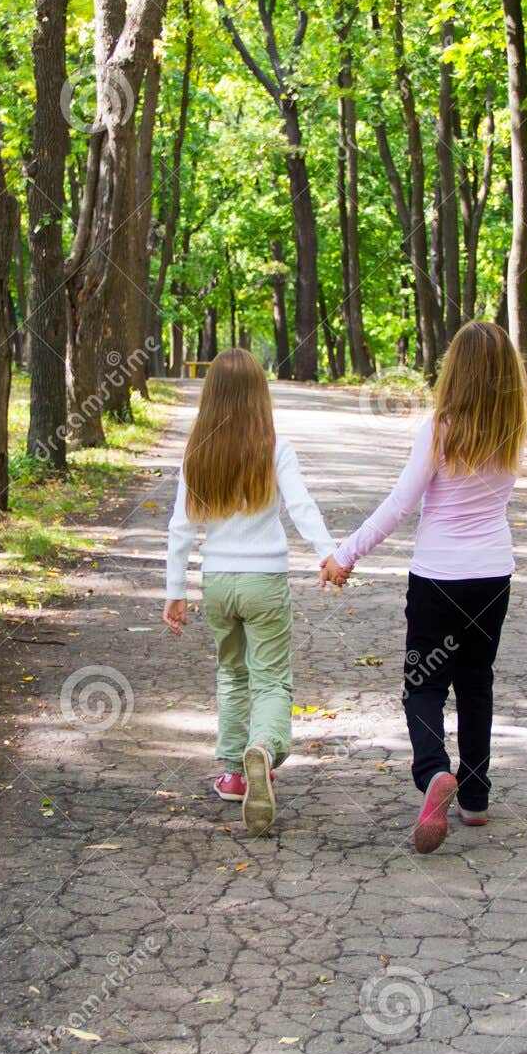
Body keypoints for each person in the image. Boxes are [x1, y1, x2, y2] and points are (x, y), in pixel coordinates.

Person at [322, 322, 527, 853]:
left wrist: (344, 555)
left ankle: (435, 771)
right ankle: (475, 798)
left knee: (424, 686)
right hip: (492, 577)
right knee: (477, 683)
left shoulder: (438, 428)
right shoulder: (512, 428)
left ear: (453, 371)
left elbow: (399, 505)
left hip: (438, 579)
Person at [164, 348, 338, 836]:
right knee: (271, 678)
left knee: (231, 675)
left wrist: (174, 591)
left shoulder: (198, 449)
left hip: (218, 582)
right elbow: (302, 507)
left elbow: (180, 528)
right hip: (265, 580)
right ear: (260, 394)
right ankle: (264, 748)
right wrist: (329, 555)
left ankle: (233, 774)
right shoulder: (275, 445)